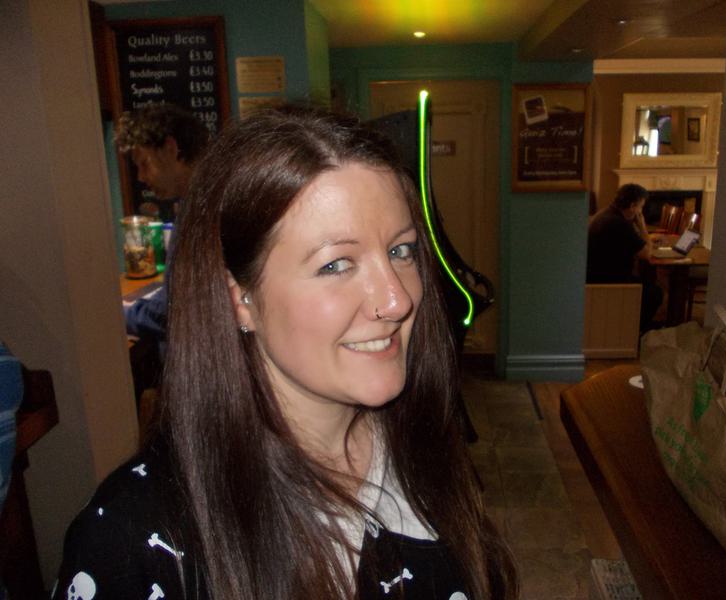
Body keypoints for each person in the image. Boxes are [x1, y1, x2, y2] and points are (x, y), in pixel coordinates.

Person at [54, 106, 518, 599]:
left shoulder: (422, 446)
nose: (397, 300)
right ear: (241, 300)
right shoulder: (131, 541)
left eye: (401, 251)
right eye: (336, 264)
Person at [115, 103, 209, 344]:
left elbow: (173, 312)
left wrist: (118, 315)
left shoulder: (202, 213)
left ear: (170, 149)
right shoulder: (206, 196)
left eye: (144, 163)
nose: (141, 177)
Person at [586, 183, 663, 331]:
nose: (641, 212)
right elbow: (647, 254)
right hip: (608, 282)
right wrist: (643, 227)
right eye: (641, 207)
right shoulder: (619, 223)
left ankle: (633, 323)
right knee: (655, 293)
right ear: (633, 206)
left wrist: (644, 238)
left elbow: (630, 241)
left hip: (595, 276)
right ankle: (634, 330)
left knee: (646, 283)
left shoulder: (606, 214)